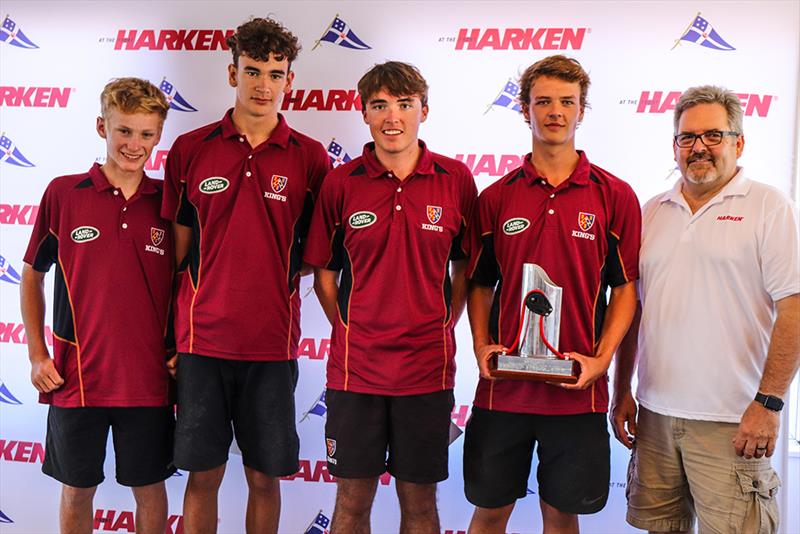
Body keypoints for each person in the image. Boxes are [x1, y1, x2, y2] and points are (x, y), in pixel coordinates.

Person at [160, 17, 329, 534]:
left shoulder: (311, 158)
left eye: (275, 73)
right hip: (201, 343)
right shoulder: (190, 149)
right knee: (203, 475)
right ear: (232, 73)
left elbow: (312, 255)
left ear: (289, 82)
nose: (263, 84)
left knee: (264, 477)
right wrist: (173, 336)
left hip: (271, 345)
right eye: (252, 71)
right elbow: (180, 257)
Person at [463, 55, 641, 534]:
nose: (555, 112)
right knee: (489, 512)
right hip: (504, 391)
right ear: (524, 109)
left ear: (582, 111)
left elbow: (625, 289)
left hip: (576, 395)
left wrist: (602, 361)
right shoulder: (496, 197)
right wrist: (481, 345)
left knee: (562, 517)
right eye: (543, 101)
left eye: (567, 101)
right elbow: (479, 283)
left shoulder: (614, 195)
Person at [611, 85, 800, 534]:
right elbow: (634, 313)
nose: (699, 147)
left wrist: (768, 405)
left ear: (739, 142)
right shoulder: (652, 211)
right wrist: (622, 391)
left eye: (713, 135)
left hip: (733, 421)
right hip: (654, 416)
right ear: (675, 146)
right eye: (687, 137)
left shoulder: (769, 207)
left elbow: (794, 308)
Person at [304, 61, 477, 534]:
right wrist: (346, 328)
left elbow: (465, 268)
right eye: (380, 105)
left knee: (419, 502)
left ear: (424, 110)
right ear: (364, 114)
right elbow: (323, 274)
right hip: (354, 372)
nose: (392, 117)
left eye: (404, 105)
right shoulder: (341, 183)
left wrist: (445, 321)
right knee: (352, 501)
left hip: (426, 370)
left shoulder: (456, 179)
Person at [20, 77, 174, 534]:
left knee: (150, 490)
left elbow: (190, 282)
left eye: (146, 134)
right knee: (76, 490)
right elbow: (32, 273)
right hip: (76, 378)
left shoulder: (168, 202)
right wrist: (35, 353)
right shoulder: (64, 194)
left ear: (159, 136)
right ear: (101, 126)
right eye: (124, 130)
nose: (134, 144)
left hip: (149, 380)